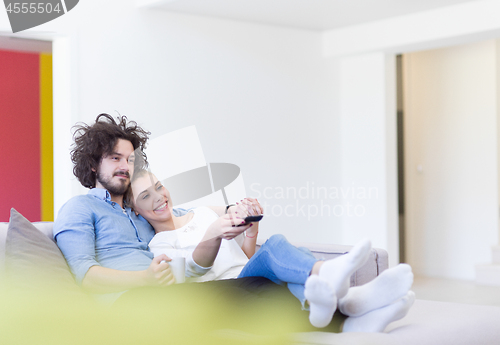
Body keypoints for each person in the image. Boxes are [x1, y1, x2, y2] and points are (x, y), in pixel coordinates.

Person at [54, 113, 413, 333]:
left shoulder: (142, 213)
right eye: (115, 158)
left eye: (131, 159)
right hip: (130, 306)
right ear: (91, 166)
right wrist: (145, 279)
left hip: (169, 295)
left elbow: (190, 224)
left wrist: (238, 217)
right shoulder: (78, 209)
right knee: (256, 285)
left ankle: (351, 317)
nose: (125, 166)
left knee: (262, 282)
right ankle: (349, 313)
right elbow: (86, 276)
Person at [129, 169, 415, 330]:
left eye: (159, 186)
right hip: (229, 291)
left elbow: (245, 260)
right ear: (137, 211)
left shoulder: (202, 212)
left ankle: (348, 302)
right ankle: (348, 298)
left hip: (248, 274)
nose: (159, 197)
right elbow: (195, 270)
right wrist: (212, 235)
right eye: (146, 196)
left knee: (277, 251)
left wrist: (250, 232)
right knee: (278, 256)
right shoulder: (158, 246)